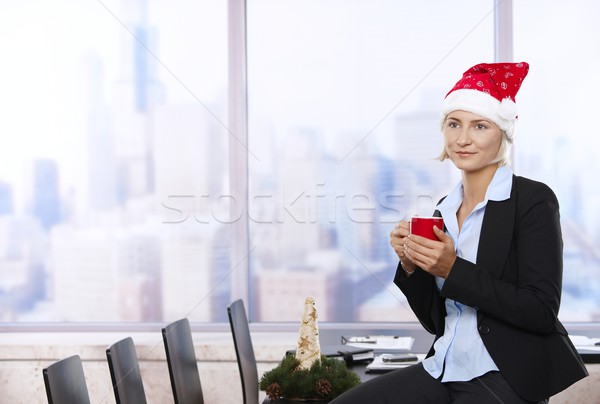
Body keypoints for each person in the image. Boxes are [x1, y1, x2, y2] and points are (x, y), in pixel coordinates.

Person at [330, 62, 588, 403]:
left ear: (503, 132)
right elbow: (436, 322)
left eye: (479, 126)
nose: (462, 139)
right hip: (443, 367)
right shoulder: (444, 208)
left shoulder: (532, 200)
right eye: (454, 124)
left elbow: (540, 311)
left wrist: (451, 269)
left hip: (502, 375)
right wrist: (411, 265)